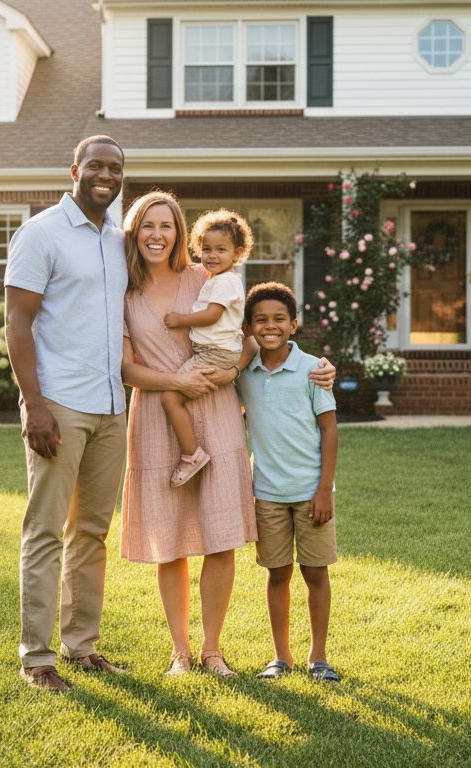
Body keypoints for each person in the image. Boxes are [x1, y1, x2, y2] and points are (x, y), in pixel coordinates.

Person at [118, 191, 335, 677]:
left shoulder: (206, 277)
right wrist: (176, 381)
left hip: (215, 411)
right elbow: (127, 368)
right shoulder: (124, 293)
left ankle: (212, 650)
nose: (157, 235)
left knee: (219, 537)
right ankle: (180, 652)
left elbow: (258, 332)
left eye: (167, 225)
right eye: (147, 226)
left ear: (180, 234)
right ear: (134, 232)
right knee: (169, 542)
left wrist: (315, 367)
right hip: (156, 415)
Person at [4, 135, 129, 693]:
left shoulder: (118, 241)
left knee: (93, 533)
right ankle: (37, 656)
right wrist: (34, 404)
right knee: (46, 530)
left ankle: (82, 646)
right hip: (58, 404)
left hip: (111, 407)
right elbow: (16, 322)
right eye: (96, 166)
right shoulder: (42, 234)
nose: (106, 174)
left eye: (115, 168)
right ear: (75, 170)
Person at [237, 282, 343, 684]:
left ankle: (319, 657)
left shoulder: (314, 369)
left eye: (279, 319)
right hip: (266, 494)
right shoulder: (244, 371)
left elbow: (329, 432)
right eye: (261, 320)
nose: (270, 326)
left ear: (293, 325)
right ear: (249, 328)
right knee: (276, 574)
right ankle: (281, 657)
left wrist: (323, 488)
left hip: (311, 493)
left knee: (315, 573)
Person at [160, 209, 250, 487]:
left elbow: (212, 315)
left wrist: (179, 320)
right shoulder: (216, 279)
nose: (212, 255)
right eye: (206, 249)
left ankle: (192, 454)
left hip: (216, 354)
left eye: (221, 250)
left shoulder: (226, 281)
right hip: (214, 351)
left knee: (170, 399)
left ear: (237, 253)